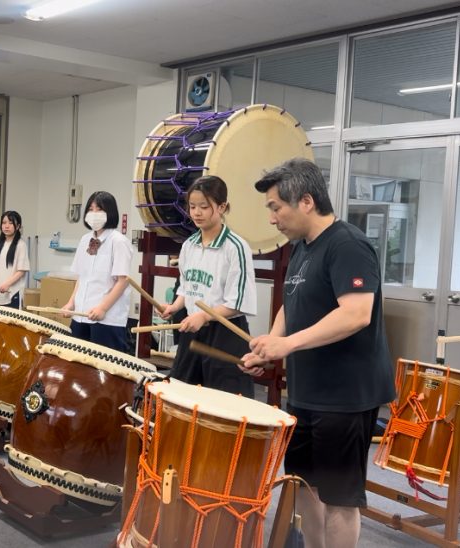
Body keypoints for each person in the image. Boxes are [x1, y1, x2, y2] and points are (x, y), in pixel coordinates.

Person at [240, 158, 395, 548]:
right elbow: (291, 302)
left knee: (339, 498)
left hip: (345, 396)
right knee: (305, 487)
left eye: (276, 207)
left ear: (306, 201)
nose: (273, 218)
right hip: (308, 393)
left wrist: (288, 344)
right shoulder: (303, 248)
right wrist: (269, 344)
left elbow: (356, 314)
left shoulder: (348, 245)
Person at [160, 176, 256, 396]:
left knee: (223, 403)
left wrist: (204, 316)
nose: (196, 213)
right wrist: (175, 307)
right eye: (192, 207)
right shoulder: (188, 245)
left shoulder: (236, 247)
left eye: (204, 206)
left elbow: (238, 302)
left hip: (225, 332)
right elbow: (186, 286)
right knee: (183, 396)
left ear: (221, 207)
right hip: (192, 330)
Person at [61, 191, 132, 352]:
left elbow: (123, 280)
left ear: (110, 212)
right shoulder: (85, 239)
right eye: (90, 209)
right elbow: (82, 276)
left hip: (107, 320)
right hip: (80, 315)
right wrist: (72, 303)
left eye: (99, 209)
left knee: (104, 371)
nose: (94, 214)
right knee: (77, 366)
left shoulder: (119, 241)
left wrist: (103, 308)